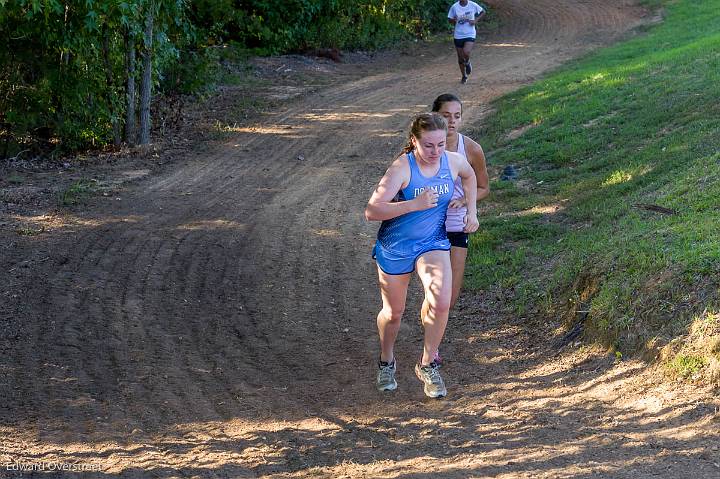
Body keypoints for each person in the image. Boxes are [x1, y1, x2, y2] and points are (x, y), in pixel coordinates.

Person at [365, 112, 479, 398]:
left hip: (433, 242)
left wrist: (471, 210)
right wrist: (414, 204)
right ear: (414, 141)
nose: (435, 152)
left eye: (440, 144)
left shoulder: (451, 161)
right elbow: (372, 211)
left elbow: (470, 174)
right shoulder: (401, 168)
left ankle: (427, 364)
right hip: (396, 246)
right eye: (428, 145)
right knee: (393, 313)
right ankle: (386, 360)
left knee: (441, 302)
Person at [425, 94, 490, 365]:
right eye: (446, 115)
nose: (452, 121)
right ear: (435, 116)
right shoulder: (422, 148)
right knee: (435, 294)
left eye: (457, 116)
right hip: (427, 225)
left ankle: (431, 332)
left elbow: (485, 187)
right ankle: (431, 352)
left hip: (457, 224)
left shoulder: (471, 149)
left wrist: (465, 200)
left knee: (449, 299)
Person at [448, 0, 486, 84]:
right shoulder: (455, 7)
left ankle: (468, 62)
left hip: (470, 33)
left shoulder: (472, 5)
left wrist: (475, 20)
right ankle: (464, 76)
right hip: (458, 34)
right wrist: (454, 20)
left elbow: (483, 12)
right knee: (460, 58)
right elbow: (449, 19)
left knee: (466, 52)